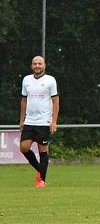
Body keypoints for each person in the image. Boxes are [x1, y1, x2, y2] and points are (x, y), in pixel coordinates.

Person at [19, 55, 59, 188]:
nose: (37, 66)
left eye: (39, 64)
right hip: (29, 121)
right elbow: (24, 100)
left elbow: (55, 101)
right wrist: (22, 120)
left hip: (43, 122)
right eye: (35, 64)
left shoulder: (50, 80)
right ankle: (40, 170)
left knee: (43, 150)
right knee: (24, 148)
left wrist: (53, 121)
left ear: (44, 65)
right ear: (32, 66)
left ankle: (41, 180)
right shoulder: (26, 80)